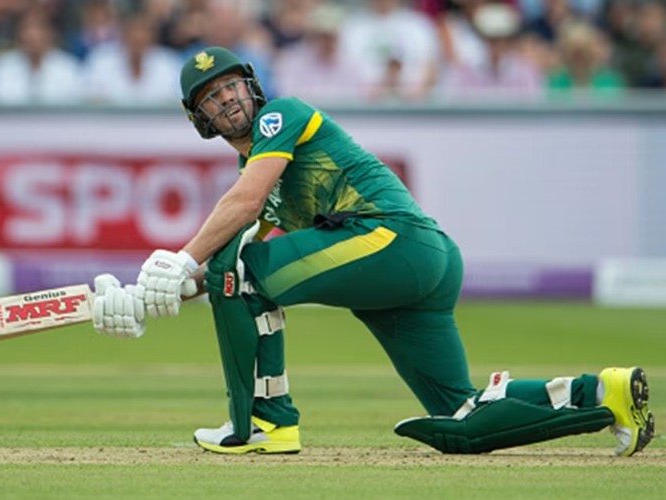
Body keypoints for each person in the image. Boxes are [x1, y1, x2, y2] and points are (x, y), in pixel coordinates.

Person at [90, 46, 655, 456]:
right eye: (212, 97)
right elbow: (225, 267)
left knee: (244, 274)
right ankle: (601, 395)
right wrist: (143, 298)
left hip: (393, 240)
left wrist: (181, 261)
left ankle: (263, 425)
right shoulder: (254, 166)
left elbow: (244, 206)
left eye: (232, 85)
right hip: (419, 263)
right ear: (200, 119)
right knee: (461, 414)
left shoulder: (281, 116)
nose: (227, 98)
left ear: (251, 87)